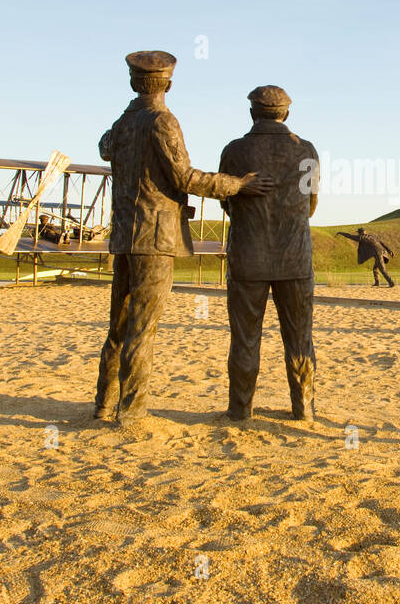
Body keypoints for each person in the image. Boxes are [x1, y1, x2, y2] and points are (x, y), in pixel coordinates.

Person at [94, 50, 272, 424]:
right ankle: (131, 413)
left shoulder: (122, 123)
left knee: (118, 328)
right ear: (169, 84)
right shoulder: (163, 121)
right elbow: (184, 177)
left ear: (132, 82)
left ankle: (102, 405)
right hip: (154, 238)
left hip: (124, 235)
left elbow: (104, 147)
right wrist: (236, 185)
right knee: (142, 328)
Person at [217, 85, 320, 421]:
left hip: (248, 259)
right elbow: (310, 207)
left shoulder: (234, 151)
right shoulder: (305, 150)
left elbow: (226, 200)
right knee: (300, 339)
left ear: (252, 113)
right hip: (295, 258)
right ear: (286, 113)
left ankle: (240, 410)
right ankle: (304, 411)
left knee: (245, 338)